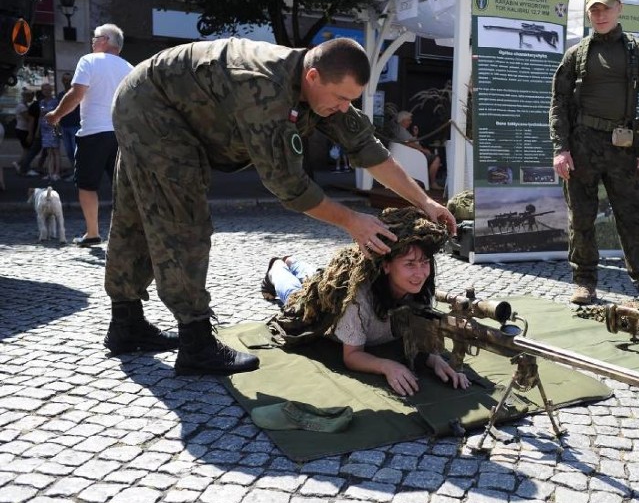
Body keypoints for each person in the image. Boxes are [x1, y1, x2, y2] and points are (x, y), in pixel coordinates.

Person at [91, 37, 457, 377]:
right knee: (180, 220)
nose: (344, 108)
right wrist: (352, 221)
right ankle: (196, 343)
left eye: (351, 100)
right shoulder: (264, 90)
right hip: (151, 107)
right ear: (313, 77)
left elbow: (369, 149)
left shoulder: (324, 88)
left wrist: (424, 201)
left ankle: (126, 325)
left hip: (161, 102)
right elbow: (289, 187)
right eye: (341, 98)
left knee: (135, 214)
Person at [263, 207, 469, 396]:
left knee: (316, 276)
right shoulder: (358, 298)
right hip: (324, 310)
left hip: (334, 286)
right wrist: (387, 366)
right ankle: (277, 267)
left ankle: (293, 262)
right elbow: (352, 356)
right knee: (296, 295)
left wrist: (435, 359)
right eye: (409, 264)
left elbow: (417, 330)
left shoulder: (420, 287)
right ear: (386, 266)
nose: (420, 273)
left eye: (424, 262)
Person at [550, 0, 639, 305]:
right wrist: (561, 148)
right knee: (581, 218)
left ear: (619, 9)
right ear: (588, 14)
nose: (600, 15)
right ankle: (584, 281)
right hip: (583, 144)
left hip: (624, 147)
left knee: (633, 216)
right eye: (594, 10)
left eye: (606, 8)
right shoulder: (576, 54)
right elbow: (558, 103)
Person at [45, 24, 134, 247]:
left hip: (93, 133)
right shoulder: (131, 68)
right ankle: (128, 234)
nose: (92, 42)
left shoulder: (89, 60)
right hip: (121, 135)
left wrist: (55, 115)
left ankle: (92, 233)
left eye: (94, 38)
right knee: (122, 187)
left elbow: (76, 95)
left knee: (87, 185)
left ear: (104, 40)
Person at [393, 111, 443, 189]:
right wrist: (423, 150)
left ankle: (423, 181)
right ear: (402, 120)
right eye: (408, 120)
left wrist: (415, 134)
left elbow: (411, 142)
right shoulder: (401, 130)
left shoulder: (401, 130)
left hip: (411, 155)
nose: (410, 122)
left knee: (430, 157)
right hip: (411, 157)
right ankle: (432, 183)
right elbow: (409, 144)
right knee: (436, 159)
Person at [56, 72, 81, 179]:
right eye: (64, 79)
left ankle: (78, 174)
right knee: (69, 151)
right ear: (62, 81)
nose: (66, 81)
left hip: (75, 126)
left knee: (76, 151)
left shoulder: (76, 93)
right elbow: (58, 111)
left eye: (68, 79)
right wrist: (57, 125)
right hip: (64, 126)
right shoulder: (60, 95)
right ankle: (75, 172)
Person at [37, 83, 61, 182]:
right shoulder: (42, 102)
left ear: (51, 90)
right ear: (42, 91)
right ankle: (50, 173)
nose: (46, 91)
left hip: (53, 128)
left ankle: (57, 173)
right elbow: (40, 116)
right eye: (44, 90)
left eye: (48, 89)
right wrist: (37, 130)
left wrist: (57, 129)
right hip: (44, 129)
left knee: (55, 151)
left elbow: (59, 115)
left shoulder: (55, 102)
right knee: (48, 151)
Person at [12, 89, 33, 174]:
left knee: (27, 149)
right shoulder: (22, 106)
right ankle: (20, 164)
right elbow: (28, 118)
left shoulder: (24, 105)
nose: (31, 98)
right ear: (25, 96)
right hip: (22, 130)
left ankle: (23, 165)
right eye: (30, 96)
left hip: (23, 129)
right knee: (26, 150)